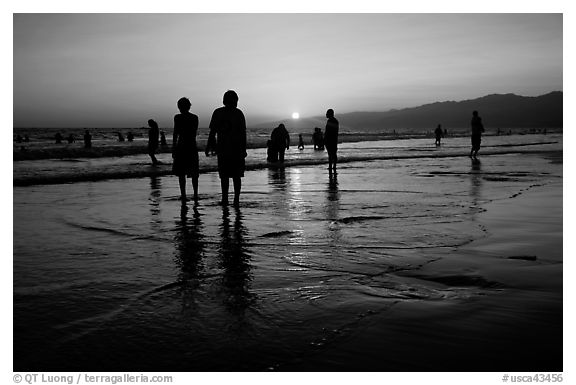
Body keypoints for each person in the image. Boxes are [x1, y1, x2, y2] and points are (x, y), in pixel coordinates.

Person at [205, 90, 247, 207]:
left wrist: (208, 146)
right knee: (235, 176)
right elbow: (242, 134)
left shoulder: (218, 112)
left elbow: (212, 132)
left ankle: (226, 199)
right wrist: (244, 149)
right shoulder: (238, 113)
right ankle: (235, 200)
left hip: (224, 150)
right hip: (234, 150)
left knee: (225, 176)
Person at [172, 97, 199, 204]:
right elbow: (193, 133)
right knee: (194, 173)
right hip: (191, 146)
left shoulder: (177, 118)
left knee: (181, 173)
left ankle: (183, 195)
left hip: (182, 146)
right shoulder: (194, 118)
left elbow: (175, 133)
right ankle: (195, 194)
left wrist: (174, 148)